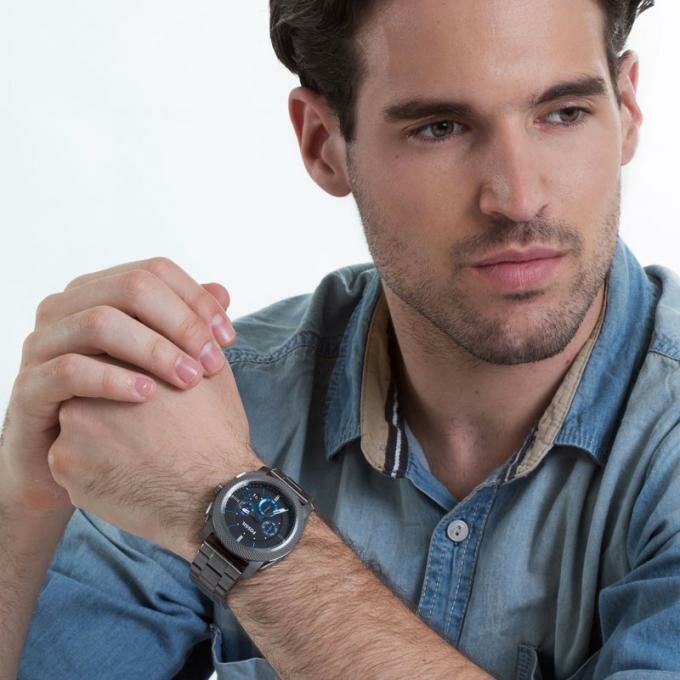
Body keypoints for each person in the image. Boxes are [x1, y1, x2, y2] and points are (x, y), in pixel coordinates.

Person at [2, 0, 678, 677]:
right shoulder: (209, 412)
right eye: (440, 128)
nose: (518, 197)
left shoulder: (204, 464)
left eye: (564, 113)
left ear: (627, 109)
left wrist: (234, 513)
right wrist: (24, 502)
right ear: (323, 143)